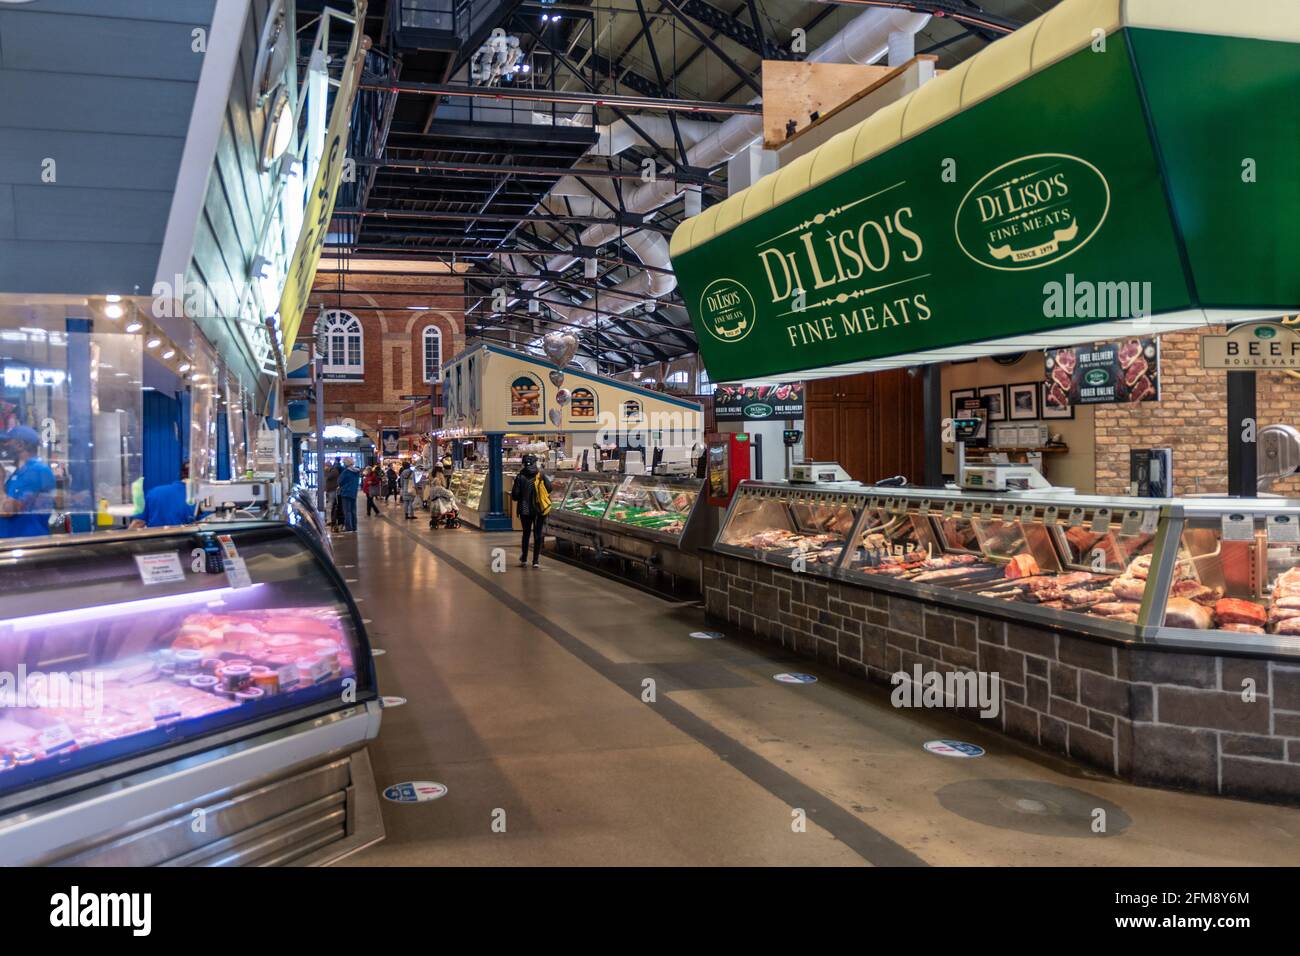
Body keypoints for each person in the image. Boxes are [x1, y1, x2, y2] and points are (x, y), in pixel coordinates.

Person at [0, 425, 56, 539]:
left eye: (6, 442)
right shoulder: (18, 473)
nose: (2, 447)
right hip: (12, 541)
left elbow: (8, 510)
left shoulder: (37, 470)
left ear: (20, 445)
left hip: (26, 543)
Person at [510, 453, 553, 568]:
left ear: (523, 463)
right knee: (538, 534)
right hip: (539, 509)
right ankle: (535, 561)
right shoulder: (541, 475)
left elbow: (514, 495)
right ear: (535, 462)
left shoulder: (520, 476)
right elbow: (550, 488)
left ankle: (524, 558)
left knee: (526, 533)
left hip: (525, 510)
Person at [129, 462, 196, 529]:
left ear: (180, 474)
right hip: (186, 538)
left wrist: (125, 538)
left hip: (155, 538)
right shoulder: (199, 498)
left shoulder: (154, 492)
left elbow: (138, 522)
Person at [336, 457, 361, 532]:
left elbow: (339, 481)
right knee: (353, 510)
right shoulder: (357, 472)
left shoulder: (346, 471)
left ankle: (348, 528)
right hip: (354, 492)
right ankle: (354, 527)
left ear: (346, 463)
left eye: (344, 463)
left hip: (346, 492)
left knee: (347, 511)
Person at [324, 459, 341, 529]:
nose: (325, 468)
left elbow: (328, 477)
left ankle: (331, 520)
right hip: (329, 490)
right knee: (329, 505)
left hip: (333, 490)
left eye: (326, 466)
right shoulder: (330, 471)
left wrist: (325, 471)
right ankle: (330, 520)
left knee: (331, 506)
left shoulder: (334, 471)